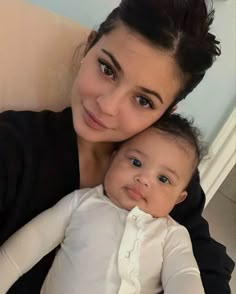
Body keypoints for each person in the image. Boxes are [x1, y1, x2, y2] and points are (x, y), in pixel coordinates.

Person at [0, 0, 234, 293]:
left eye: (143, 100)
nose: (107, 106)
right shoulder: (14, 146)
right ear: (89, 48)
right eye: (107, 69)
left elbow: (204, 256)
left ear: (167, 112)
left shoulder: (167, 164)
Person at [0, 114, 206, 294]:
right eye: (136, 162)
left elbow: (183, 276)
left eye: (163, 179)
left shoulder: (171, 234)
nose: (144, 179)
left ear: (179, 198)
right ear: (113, 159)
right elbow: (27, 247)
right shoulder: (81, 203)